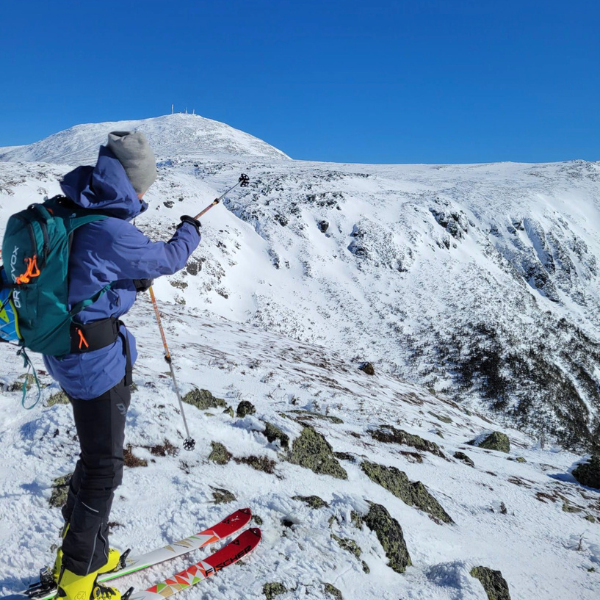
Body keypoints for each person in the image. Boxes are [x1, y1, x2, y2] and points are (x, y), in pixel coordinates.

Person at [43, 131, 201, 600]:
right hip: (95, 365)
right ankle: (76, 579)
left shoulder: (73, 211)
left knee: (94, 459)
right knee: (105, 468)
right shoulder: (110, 230)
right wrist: (190, 229)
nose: (145, 194)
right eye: (144, 187)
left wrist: (126, 279)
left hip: (66, 352)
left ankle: (88, 556)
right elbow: (169, 257)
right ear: (131, 183)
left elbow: (90, 278)